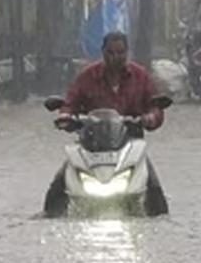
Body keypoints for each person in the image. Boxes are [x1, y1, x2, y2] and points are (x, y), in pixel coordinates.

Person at [44, 31, 168, 216]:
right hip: (90, 145)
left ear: (127, 53)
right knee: (58, 186)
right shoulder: (87, 76)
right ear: (103, 52)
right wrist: (65, 116)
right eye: (110, 52)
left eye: (120, 53)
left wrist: (150, 117)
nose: (115, 57)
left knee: (154, 190)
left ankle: (161, 222)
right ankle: (48, 218)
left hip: (130, 146)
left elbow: (155, 105)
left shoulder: (140, 76)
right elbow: (70, 102)